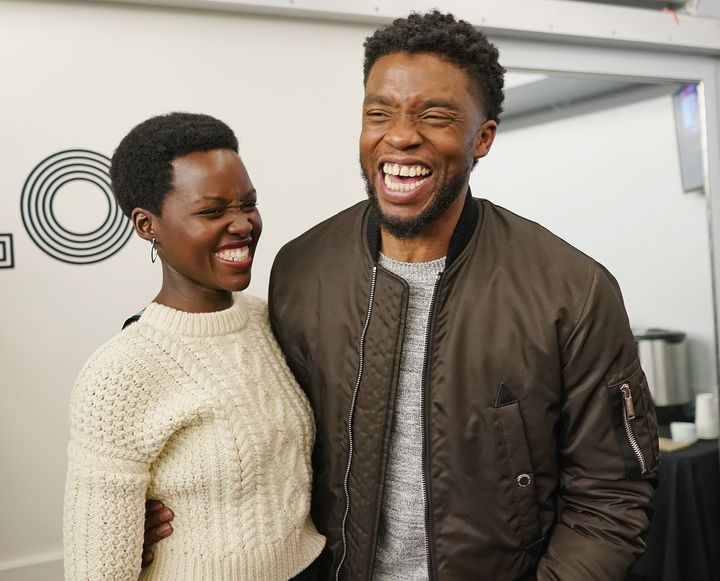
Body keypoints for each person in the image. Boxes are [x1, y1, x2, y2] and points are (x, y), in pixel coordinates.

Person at [146, 11, 659, 580]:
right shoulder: (302, 270)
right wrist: (171, 503)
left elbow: (612, 496)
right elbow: (266, 429)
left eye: (435, 116)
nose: (399, 135)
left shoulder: (573, 290)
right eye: (379, 113)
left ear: (481, 139)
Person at [63, 112, 325, 580]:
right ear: (147, 225)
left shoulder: (272, 319)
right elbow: (98, 570)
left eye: (248, 204)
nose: (242, 224)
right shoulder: (120, 373)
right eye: (212, 211)